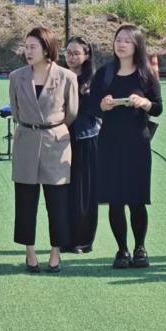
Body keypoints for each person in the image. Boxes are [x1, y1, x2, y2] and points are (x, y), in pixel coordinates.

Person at [8, 26, 79, 273]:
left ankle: (55, 252)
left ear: (47, 49)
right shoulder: (16, 77)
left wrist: (53, 128)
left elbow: (71, 113)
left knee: (57, 202)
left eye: (33, 47)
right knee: (25, 200)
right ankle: (29, 251)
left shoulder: (67, 77)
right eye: (26, 47)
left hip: (55, 142)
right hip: (26, 139)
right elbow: (16, 111)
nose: (28, 51)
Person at [93, 24, 163, 269]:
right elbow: (92, 106)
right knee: (115, 199)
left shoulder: (146, 74)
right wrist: (102, 105)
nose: (121, 44)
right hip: (109, 142)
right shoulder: (105, 73)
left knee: (136, 198)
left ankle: (140, 248)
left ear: (137, 45)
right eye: (118, 40)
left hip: (137, 143)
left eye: (126, 41)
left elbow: (158, 107)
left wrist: (144, 102)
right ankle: (121, 249)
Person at [61, 36, 100, 254]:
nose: (71, 57)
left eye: (76, 53)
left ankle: (84, 240)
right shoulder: (59, 76)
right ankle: (65, 237)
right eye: (68, 52)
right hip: (61, 140)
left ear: (86, 55)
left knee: (84, 191)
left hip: (86, 139)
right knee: (64, 190)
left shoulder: (93, 81)